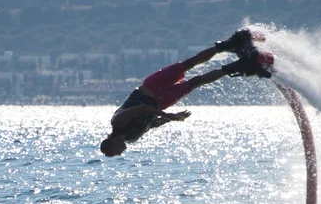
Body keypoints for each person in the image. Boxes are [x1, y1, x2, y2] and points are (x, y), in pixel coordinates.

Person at [100, 29, 268, 157]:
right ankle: (236, 66)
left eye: (117, 152)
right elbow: (151, 124)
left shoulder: (117, 121)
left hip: (151, 87)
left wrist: (170, 116)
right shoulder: (131, 138)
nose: (121, 153)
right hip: (162, 101)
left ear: (112, 144)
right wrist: (172, 119)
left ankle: (227, 45)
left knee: (189, 63)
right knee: (196, 82)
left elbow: (142, 109)